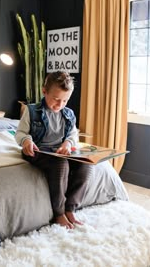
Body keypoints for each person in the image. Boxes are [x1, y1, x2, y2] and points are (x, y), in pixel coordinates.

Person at [15, 71, 92, 229]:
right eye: (56, 99)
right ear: (44, 91)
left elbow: (73, 134)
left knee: (86, 163)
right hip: (38, 151)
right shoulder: (31, 111)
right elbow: (20, 133)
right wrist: (26, 141)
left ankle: (70, 208)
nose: (60, 105)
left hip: (59, 151)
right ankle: (59, 213)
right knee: (61, 164)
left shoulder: (69, 114)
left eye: (65, 101)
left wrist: (68, 144)